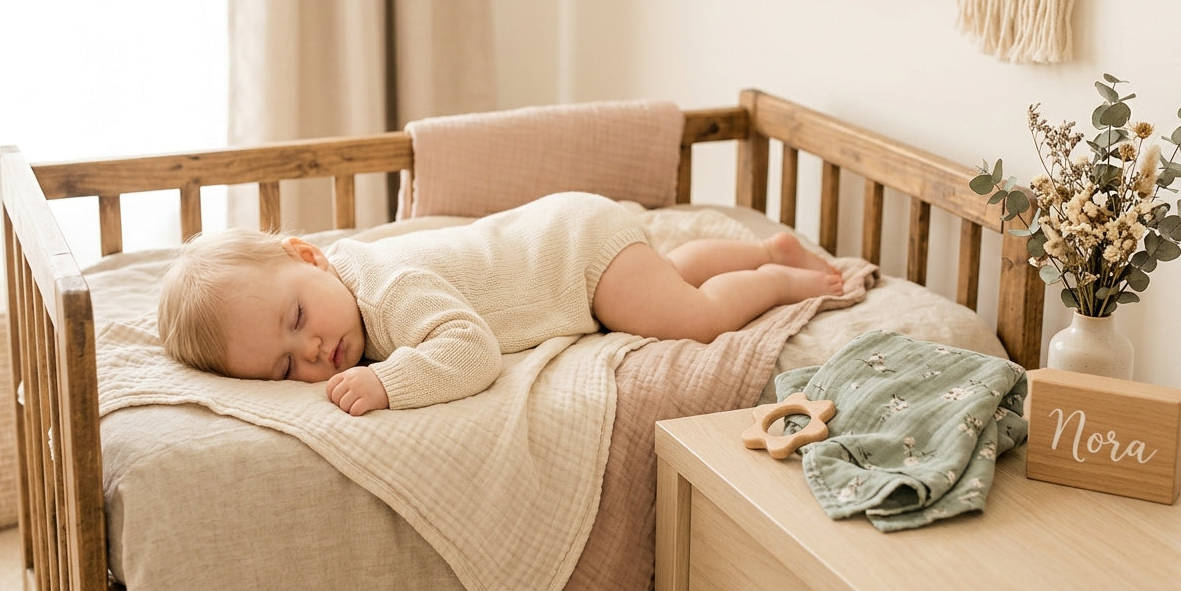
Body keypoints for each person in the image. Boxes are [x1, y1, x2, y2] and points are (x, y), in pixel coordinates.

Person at [157, 191, 843, 416]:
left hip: (576, 257)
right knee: (660, 282)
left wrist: (388, 381)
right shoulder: (348, 273)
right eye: (283, 369)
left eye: (296, 320)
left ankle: (780, 283)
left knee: (693, 318)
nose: (309, 352)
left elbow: (471, 350)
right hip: (573, 235)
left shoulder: (390, 293)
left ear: (310, 256)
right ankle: (762, 251)